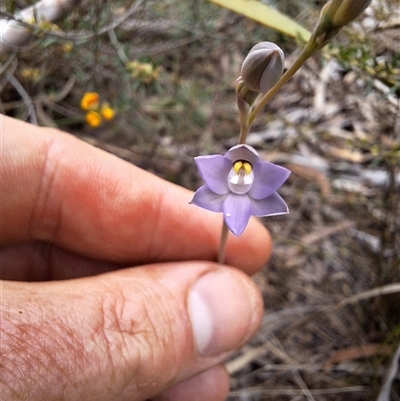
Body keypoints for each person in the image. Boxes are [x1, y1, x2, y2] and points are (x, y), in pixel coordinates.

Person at [1, 115, 271, 401]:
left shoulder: (245, 197)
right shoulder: (215, 180)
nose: (240, 174)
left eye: (245, 170)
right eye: (237, 169)